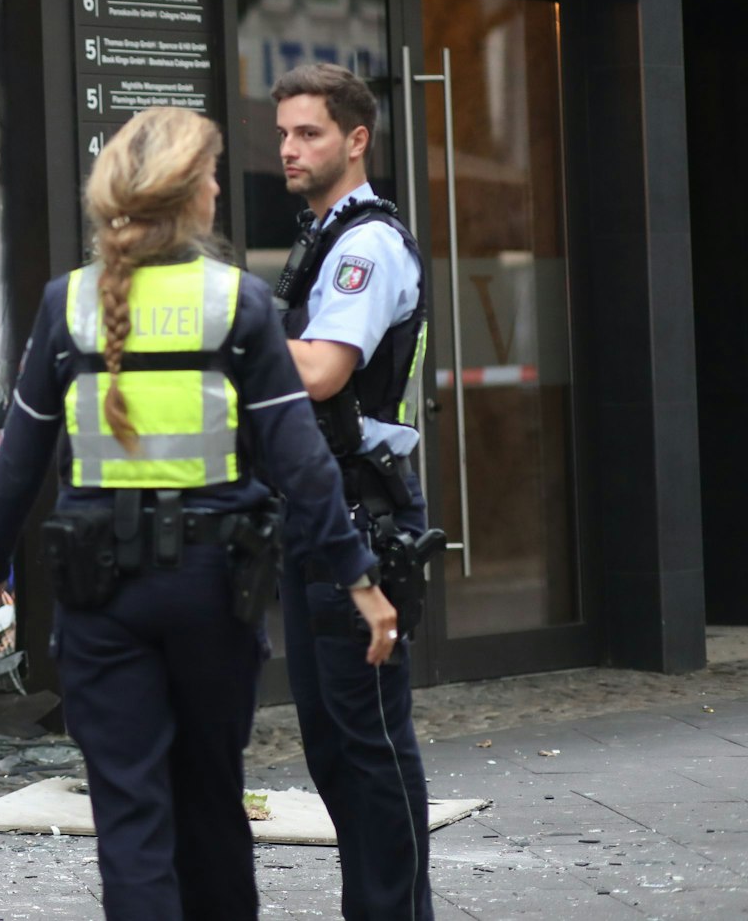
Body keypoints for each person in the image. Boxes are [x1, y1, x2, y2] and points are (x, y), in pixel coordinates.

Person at [0, 106, 397, 920]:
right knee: (210, 799)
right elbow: (300, 460)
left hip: (98, 591)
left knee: (129, 811)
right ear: (195, 196)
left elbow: (18, 457)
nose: (216, 190)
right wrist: (359, 578)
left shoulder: (69, 302)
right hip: (212, 587)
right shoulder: (237, 301)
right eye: (212, 177)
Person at [270, 63, 440, 921]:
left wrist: (229, 332)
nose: (290, 149)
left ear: (357, 139)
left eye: (310, 133)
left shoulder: (365, 245)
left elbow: (323, 372)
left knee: (367, 741)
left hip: (360, 512)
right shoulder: (327, 235)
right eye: (284, 134)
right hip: (324, 508)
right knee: (335, 746)